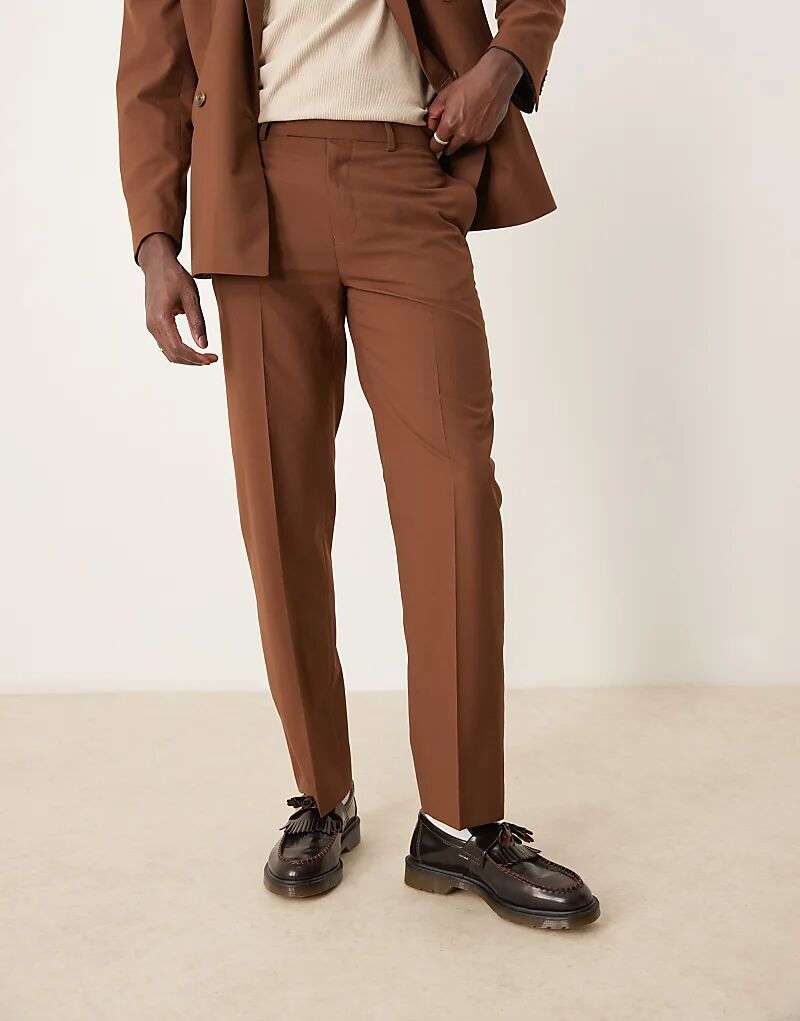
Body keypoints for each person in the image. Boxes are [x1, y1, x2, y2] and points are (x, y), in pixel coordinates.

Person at [117, 0, 600, 928]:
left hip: (405, 170)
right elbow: (152, 71)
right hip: (254, 182)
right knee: (280, 506)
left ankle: (459, 821)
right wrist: (155, 242)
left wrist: (502, 65)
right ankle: (322, 795)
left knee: (455, 494)